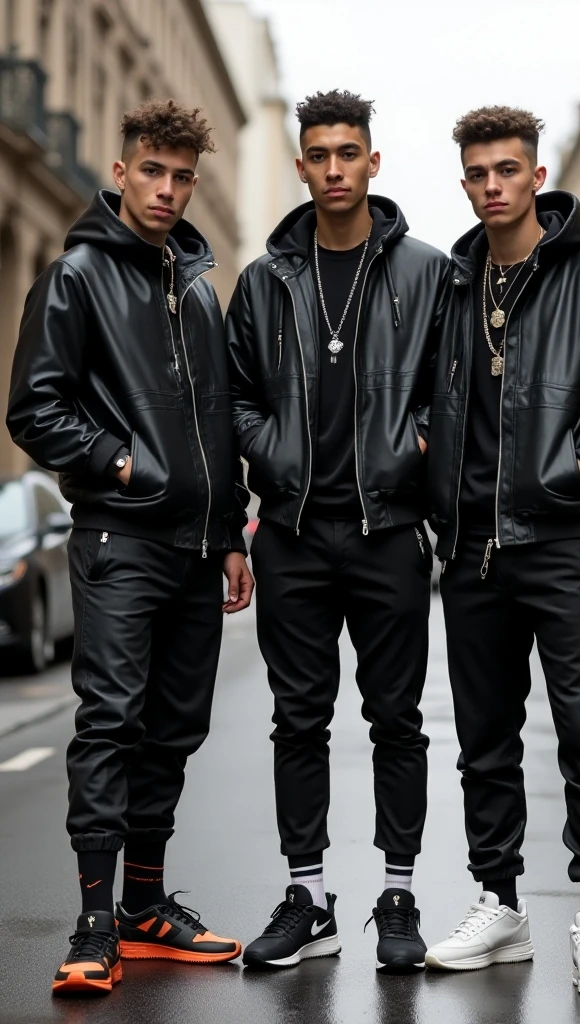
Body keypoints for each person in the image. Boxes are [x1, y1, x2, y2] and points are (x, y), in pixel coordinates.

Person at [424, 105, 580, 994]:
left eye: (507, 170)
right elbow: (423, 396)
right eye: (477, 174)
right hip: (470, 553)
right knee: (484, 742)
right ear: (464, 182)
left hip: (563, 542)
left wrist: (577, 468)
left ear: (537, 176)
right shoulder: (452, 287)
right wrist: (426, 451)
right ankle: (501, 908)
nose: (492, 186)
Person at [7, 99, 253, 996]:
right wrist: (118, 461)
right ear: (122, 172)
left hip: (196, 547)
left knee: (175, 728)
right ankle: (92, 923)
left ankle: (146, 908)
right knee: (111, 721)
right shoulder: (75, 276)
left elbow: (218, 419)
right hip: (120, 536)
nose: (169, 190)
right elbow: (35, 408)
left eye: (183, 177)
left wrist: (229, 532)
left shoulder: (195, 284)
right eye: (154, 171)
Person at [226, 89, 449, 973]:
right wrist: (267, 447)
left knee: (397, 718)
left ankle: (398, 892)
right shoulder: (265, 280)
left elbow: (451, 383)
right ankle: (309, 895)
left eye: (347, 153)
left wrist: (417, 442)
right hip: (291, 530)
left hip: (389, 527)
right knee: (297, 720)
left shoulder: (428, 272)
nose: (332, 169)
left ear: (372, 162)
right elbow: (233, 397)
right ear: (302, 165)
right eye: (317, 154)